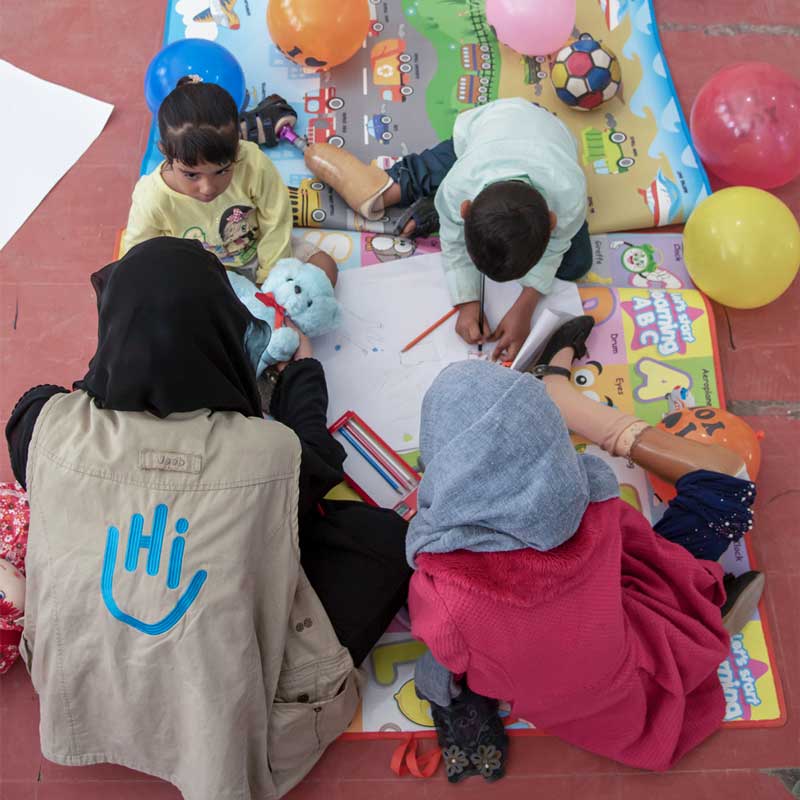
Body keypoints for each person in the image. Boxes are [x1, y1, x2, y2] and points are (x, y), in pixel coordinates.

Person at [4, 238, 411, 799]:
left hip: (81, 696)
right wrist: (302, 376)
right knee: (380, 538)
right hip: (219, 735)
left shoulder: (44, 425)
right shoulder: (270, 455)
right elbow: (317, 457)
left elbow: (46, 398)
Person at [405, 317, 764, 781]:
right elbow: (649, 555)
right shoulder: (594, 500)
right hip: (626, 650)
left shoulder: (440, 583)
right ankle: (562, 396)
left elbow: (443, 653)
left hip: (582, 708)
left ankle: (558, 392)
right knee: (728, 490)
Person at [247, 96, 590, 361]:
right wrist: (467, 301)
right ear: (465, 208)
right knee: (413, 179)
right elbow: (455, 245)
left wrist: (524, 306)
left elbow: (556, 247)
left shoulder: (569, 196)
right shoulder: (462, 183)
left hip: (547, 142)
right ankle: (423, 199)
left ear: (551, 220)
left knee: (576, 264)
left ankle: (435, 205)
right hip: (485, 131)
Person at [123, 79, 337, 287]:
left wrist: (272, 277)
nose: (207, 188)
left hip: (261, 248)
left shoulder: (254, 163)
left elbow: (276, 221)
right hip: (203, 273)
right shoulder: (151, 197)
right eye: (191, 175)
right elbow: (137, 256)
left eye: (223, 170)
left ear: (237, 146)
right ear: (165, 153)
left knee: (324, 268)